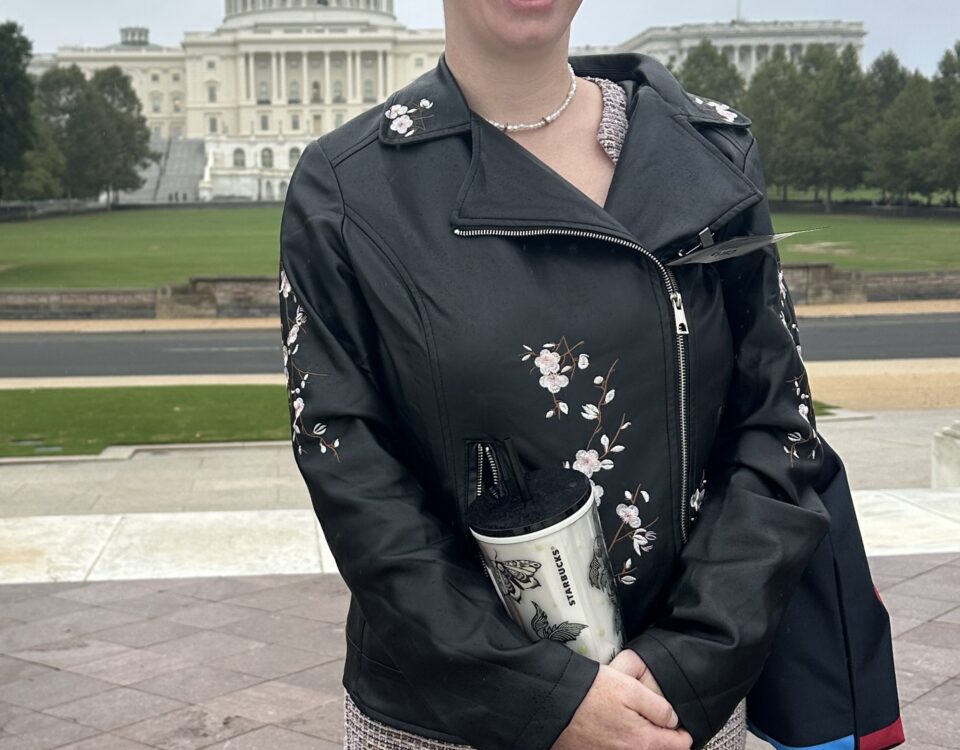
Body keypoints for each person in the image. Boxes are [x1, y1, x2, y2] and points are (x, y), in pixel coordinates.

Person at [277, 2, 904, 750]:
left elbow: (778, 427)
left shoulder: (708, 151)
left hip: (677, 708)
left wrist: (685, 662)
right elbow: (355, 482)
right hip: (450, 715)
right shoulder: (348, 189)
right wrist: (545, 698)